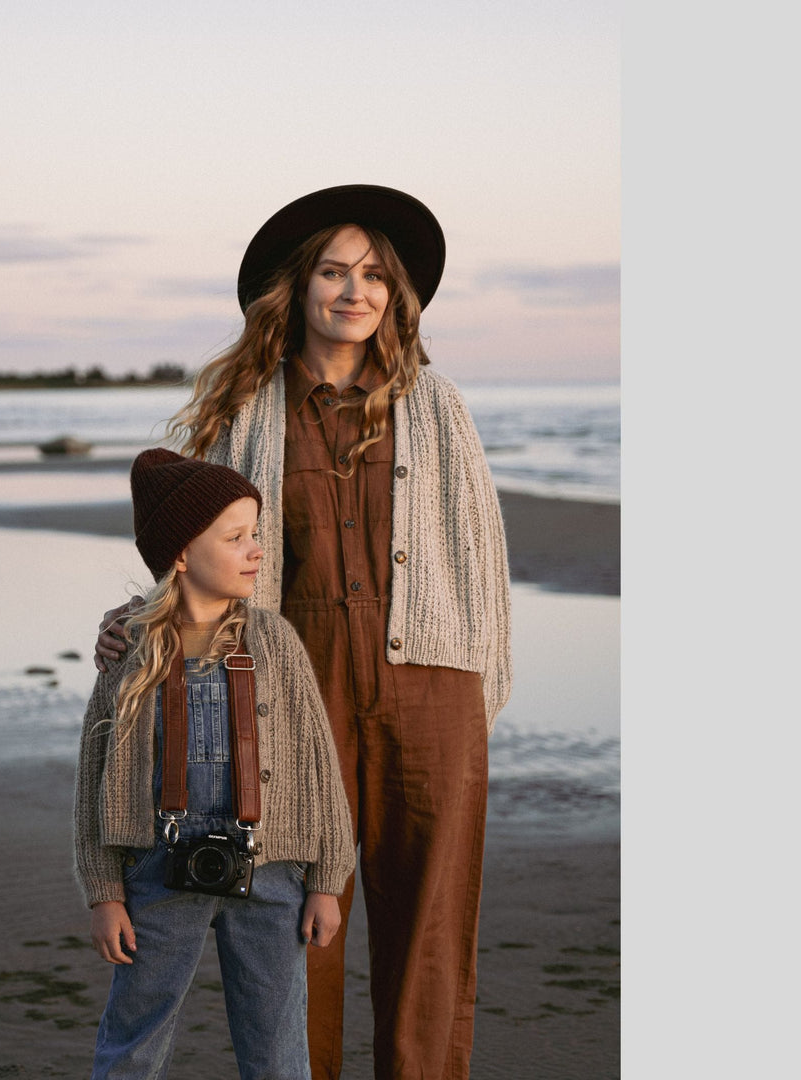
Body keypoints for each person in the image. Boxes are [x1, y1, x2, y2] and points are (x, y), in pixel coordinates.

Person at [95, 185, 512, 1080]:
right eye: (334, 271)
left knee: (432, 935)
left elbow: (482, 560)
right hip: (290, 690)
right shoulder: (247, 405)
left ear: (394, 296)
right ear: (301, 286)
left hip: (433, 692)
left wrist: (480, 694)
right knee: (293, 923)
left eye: (372, 275)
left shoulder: (438, 405)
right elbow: (199, 542)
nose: (353, 291)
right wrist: (142, 622)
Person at [76, 448, 356, 1080]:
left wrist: (328, 880)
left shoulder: (276, 643)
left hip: (273, 872)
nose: (257, 549)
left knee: (278, 1043)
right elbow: (93, 781)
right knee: (134, 1034)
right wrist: (105, 892)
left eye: (256, 533)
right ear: (181, 553)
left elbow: (319, 769)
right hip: (156, 871)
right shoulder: (131, 652)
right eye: (236, 538)